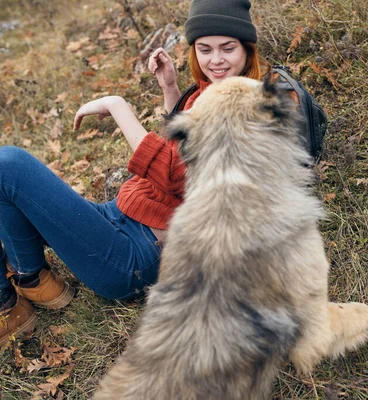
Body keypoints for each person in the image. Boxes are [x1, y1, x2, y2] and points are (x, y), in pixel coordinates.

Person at [0, 0, 269, 346]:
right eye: (205, 49)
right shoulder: (211, 92)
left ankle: (9, 304)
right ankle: (33, 280)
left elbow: (173, 173)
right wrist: (171, 90)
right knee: (6, 182)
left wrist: (118, 106)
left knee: (8, 166)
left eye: (227, 48)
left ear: (247, 49)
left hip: (132, 255)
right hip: (116, 216)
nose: (215, 59)